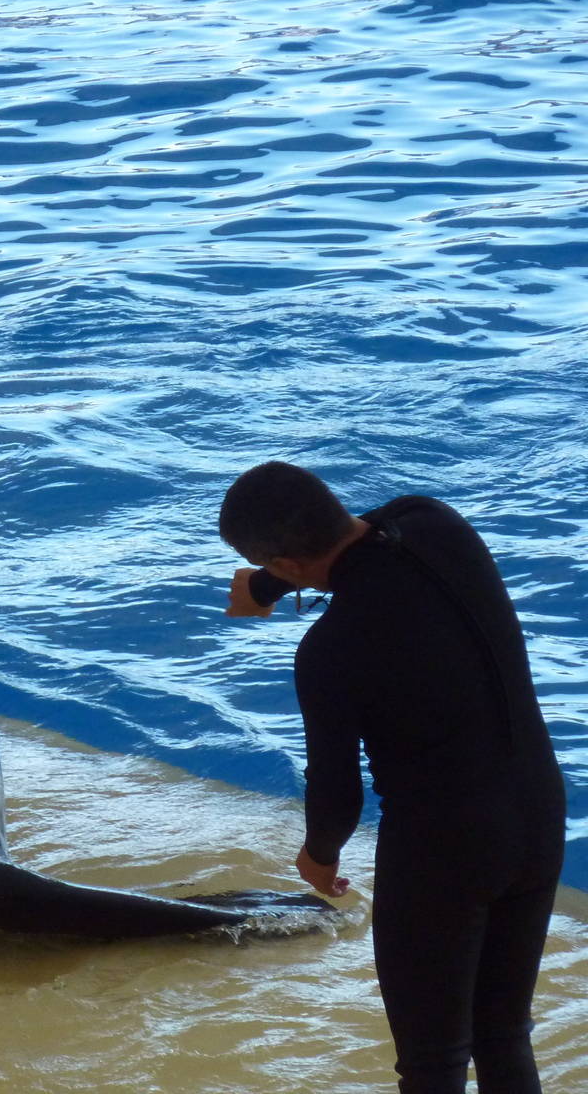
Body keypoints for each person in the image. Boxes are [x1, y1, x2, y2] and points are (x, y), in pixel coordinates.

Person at [218, 461, 565, 1094]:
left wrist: (317, 856)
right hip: (538, 815)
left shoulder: (328, 650)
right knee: (503, 1035)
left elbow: (336, 790)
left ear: (289, 563)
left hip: (443, 850)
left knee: (433, 1062)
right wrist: (265, 587)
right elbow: (361, 538)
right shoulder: (434, 521)